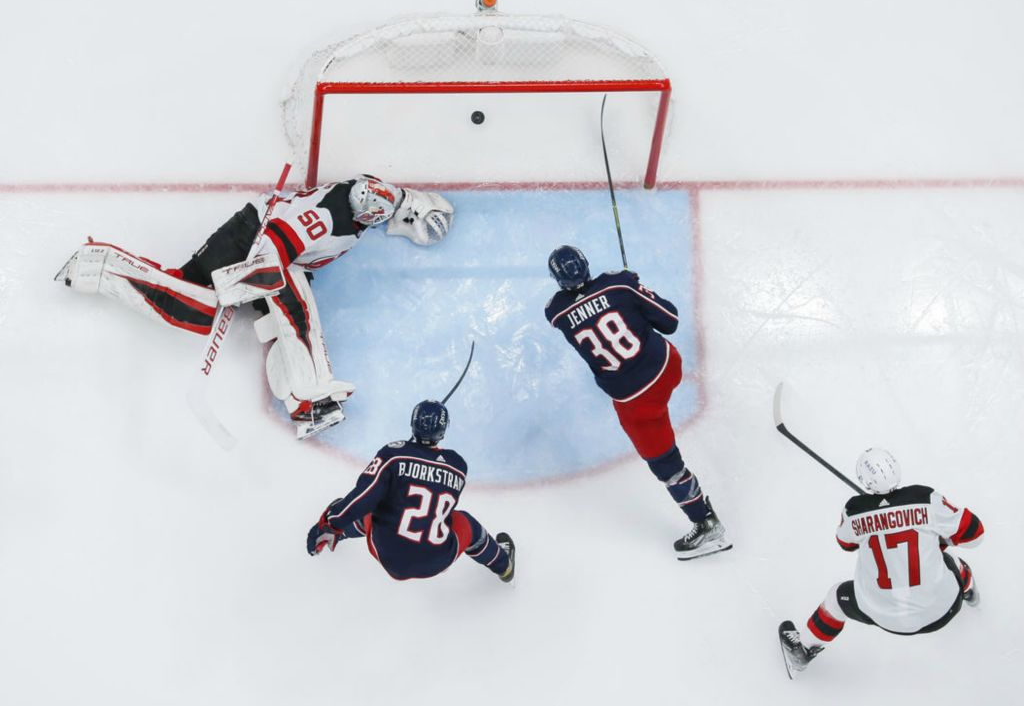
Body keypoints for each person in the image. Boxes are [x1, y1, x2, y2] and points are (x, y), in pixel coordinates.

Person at [54, 176, 454, 438]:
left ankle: (304, 401)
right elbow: (273, 254)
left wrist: (422, 212)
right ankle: (105, 266)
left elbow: (402, 202)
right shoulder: (329, 219)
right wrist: (239, 284)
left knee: (203, 305)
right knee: (229, 311)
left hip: (256, 239)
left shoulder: (362, 196)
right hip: (251, 244)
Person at [544, 245, 730, 559]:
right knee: (658, 377)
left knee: (666, 465)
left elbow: (574, 308)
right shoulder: (619, 283)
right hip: (668, 366)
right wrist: (636, 293)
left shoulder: (556, 312)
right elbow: (670, 321)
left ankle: (707, 524)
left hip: (636, 402)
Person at [778, 448, 984, 678]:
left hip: (883, 616)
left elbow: (845, 543)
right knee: (952, 561)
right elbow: (976, 534)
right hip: (945, 610)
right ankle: (969, 593)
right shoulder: (926, 498)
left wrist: (872, 521)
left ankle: (803, 650)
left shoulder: (854, 510)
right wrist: (939, 539)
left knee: (837, 597)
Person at [306, 400, 516, 583]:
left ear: (413, 424)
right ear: (443, 431)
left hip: (388, 555)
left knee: (374, 504)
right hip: (436, 560)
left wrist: (329, 523)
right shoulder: (458, 465)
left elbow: (364, 497)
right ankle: (504, 566)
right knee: (466, 524)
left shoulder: (393, 454)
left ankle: (338, 534)